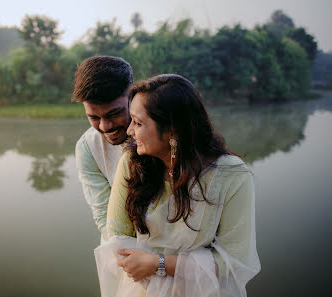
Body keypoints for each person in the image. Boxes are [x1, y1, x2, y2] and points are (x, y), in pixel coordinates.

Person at [94, 74, 260, 297]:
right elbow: (117, 241)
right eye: (131, 120)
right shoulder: (132, 163)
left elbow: (234, 262)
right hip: (140, 288)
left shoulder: (232, 176)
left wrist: (157, 263)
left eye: (139, 123)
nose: (130, 131)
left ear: (172, 130)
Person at [73, 56, 133, 236]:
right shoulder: (88, 148)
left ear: (133, 94)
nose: (105, 127)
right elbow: (103, 215)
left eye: (115, 113)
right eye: (94, 118)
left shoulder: (166, 131)